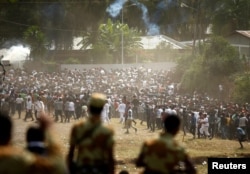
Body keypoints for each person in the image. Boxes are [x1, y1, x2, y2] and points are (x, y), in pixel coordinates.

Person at [67, 93, 115, 174]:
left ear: (89, 108)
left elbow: (71, 153)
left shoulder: (78, 127)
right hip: (99, 169)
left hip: (81, 168)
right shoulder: (107, 131)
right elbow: (110, 157)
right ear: (102, 108)